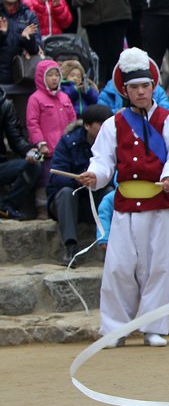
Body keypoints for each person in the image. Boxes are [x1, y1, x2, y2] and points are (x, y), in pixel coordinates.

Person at [77, 48, 169, 347]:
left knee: (156, 267)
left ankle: (153, 326)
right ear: (124, 91)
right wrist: (95, 175)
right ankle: (115, 328)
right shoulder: (114, 124)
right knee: (118, 267)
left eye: (145, 86)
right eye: (134, 87)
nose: (140, 92)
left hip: (159, 204)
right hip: (125, 204)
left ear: (154, 86)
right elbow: (102, 160)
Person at [47, 104, 113, 265]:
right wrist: (78, 180)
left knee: (110, 193)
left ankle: (110, 246)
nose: (106, 128)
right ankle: (70, 247)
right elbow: (56, 175)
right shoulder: (69, 142)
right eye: (100, 124)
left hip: (96, 199)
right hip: (72, 203)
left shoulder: (113, 143)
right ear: (87, 125)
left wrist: (98, 180)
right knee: (66, 193)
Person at [26, 60, 76, 215]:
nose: (54, 78)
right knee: (45, 179)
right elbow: (32, 123)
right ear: (41, 77)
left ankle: (60, 207)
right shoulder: (35, 98)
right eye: (50, 75)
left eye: (57, 75)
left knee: (63, 177)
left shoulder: (64, 98)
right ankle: (42, 208)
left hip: (64, 147)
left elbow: (73, 120)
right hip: (47, 148)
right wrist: (41, 143)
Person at [0, 85, 41, 220]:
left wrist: (29, 151)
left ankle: (6, 206)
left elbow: (15, 138)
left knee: (34, 165)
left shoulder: (5, 104)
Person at [0, 0, 41, 85]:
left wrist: (27, 38)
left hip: (23, 76)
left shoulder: (29, 16)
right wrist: (2, 34)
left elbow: (37, 49)